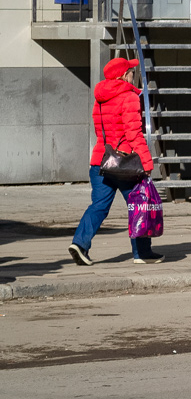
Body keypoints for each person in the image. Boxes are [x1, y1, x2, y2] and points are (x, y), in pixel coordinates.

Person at [69, 57, 161, 265]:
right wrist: (146, 163)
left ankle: (80, 244)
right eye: (130, 71)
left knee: (99, 206)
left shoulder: (100, 98)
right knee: (139, 205)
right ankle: (142, 253)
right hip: (124, 164)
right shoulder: (128, 97)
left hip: (100, 161)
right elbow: (134, 133)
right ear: (123, 75)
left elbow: (101, 130)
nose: (133, 74)